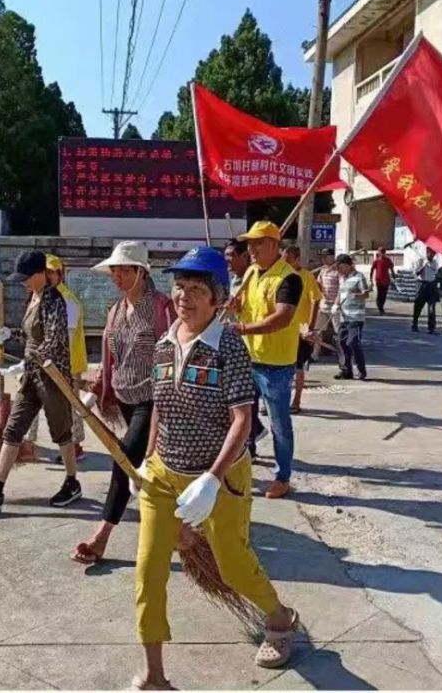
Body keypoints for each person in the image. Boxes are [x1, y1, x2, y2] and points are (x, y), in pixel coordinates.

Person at [131, 246, 299, 689]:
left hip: (221, 478)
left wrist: (211, 479)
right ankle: (154, 676)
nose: (185, 297)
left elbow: (242, 419)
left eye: (197, 290)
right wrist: (149, 460)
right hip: (164, 475)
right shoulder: (165, 343)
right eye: (180, 287)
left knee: (233, 566)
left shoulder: (229, 346)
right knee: (148, 573)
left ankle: (280, 619)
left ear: (217, 298)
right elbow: (159, 410)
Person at [73, 241, 175, 565]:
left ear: (141, 272)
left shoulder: (163, 307)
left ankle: (101, 536)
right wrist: (98, 386)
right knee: (152, 468)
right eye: (113, 271)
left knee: (123, 458)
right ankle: (182, 528)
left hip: (153, 399)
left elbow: (176, 350)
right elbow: (111, 357)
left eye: (123, 270)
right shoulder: (115, 310)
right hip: (124, 399)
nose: (116, 276)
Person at [0, 250, 81, 510]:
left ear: (41, 274)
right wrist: (11, 335)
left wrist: (26, 361)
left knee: (61, 431)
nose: (23, 282)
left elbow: (55, 342)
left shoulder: (54, 301)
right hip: (31, 376)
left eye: (27, 277)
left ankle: (72, 482)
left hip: (52, 377)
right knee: (13, 429)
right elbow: (32, 336)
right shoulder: (34, 298)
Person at [229, 221, 302, 499]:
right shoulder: (250, 272)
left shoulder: (289, 278)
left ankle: (282, 476)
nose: (252, 249)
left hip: (276, 365)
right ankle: (241, 463)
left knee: (279, 424)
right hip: (248, 357)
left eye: (258, 243)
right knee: (241, 416)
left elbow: (282, 318)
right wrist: (236, 309)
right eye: (250, 243)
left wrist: (243, 328)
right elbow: (246, 309)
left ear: (274, 244)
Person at [22, 253, 87, 464]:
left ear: (60, 275)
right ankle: (28, 444)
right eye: (45, 272)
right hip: (40, 362)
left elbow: (61, 336)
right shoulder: (40, 297)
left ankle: (75, 445)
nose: (48, 276)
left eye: (52, 272)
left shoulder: (67, 301)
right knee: (30, 402)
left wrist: (37, 356)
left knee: (69, 407)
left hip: (66, 363)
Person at [225, 237, 267, 451]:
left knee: (247, 400)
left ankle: (248, 445)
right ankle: (254, 433)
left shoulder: (255, 278)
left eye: (232, 255)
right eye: (226, 255)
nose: (227, 259)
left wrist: (240, 309)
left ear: (245, 256)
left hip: (252, 347)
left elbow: (260, 312)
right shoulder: (233, 280)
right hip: (233, 345)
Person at [281, 244, 323, 415]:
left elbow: (316, 300)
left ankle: (296, 400)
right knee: (281, 368)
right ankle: (278, 402)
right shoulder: (281, 275)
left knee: (298, 368)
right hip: (282, 330)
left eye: (289, 261)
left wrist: (310, 327)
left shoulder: (306, 277)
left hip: (301, 332)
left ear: (297, 259)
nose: (285, 264)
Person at [333, 254, 369, 380]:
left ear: (347, 265)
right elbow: (339, 293)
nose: (339, 269)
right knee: (342, 343)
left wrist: (356, 295)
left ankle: (361, 370)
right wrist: (335, 305)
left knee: (353, 342)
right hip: (344, 316)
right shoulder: (342, 278)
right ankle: (346, 370)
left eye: (340, 266)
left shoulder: (359, 277)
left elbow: (366, 294)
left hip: (356, 317)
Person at [314, 248, 341, 360]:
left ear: (332, 257)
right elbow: (318, 285)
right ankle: (315, 353)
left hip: (335, 306)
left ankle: (342, 355)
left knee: (338, 331)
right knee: (318, 330)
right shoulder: (323, 270)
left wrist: (336, 303)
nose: (323, 259)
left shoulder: (338, 271)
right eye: (322, 257)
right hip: (323, 304)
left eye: (325, 256)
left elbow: (341, 288)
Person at [412, 247, 439, 334]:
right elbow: (416, 273)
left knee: (431, 308)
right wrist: (423, 265)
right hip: (422, 285)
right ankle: (415, 324)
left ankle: (431, 328)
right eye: (431, 253)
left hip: (431, 285)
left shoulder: (434, 262)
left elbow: (434, 272)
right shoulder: (420, 261)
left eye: (434, 254)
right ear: (427, 253)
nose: (432, 255)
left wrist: (429, 264)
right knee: (418, 307)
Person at [369, 247, 396, 315]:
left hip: (386, 280)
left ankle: (381, 306)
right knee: (379, 293)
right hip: (378, 280)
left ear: (385, 252)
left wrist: (394, 276)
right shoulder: (376, 261)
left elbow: (391, 269)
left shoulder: (388, 260)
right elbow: (372, 270)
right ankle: (380, 307)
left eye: (383, 251)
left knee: (384, 294)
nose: (382, 253)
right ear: (379, 252)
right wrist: (370, 279)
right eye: (381, 251)